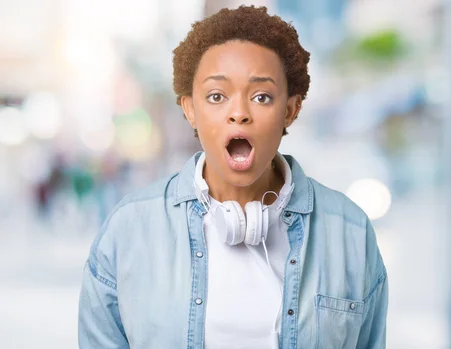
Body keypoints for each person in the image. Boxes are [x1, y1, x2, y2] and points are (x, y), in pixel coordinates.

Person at [78, 5, 388, 349]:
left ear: (290, 109)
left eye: (261, 96)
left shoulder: (351, 232)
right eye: (216, 96)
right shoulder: (128, 229)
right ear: (190, 109)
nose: (239, 113)